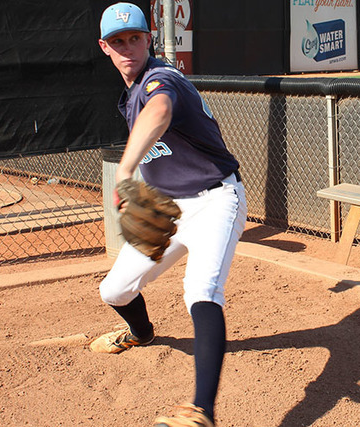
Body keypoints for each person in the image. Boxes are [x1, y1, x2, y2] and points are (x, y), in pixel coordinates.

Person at [91, 3, 247, 426]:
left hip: (217, 200)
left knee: (200, 291)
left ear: (149, 40)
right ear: (105, 47)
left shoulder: (163, 78)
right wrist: (144, 192)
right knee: (114, 291)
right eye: (118, 41)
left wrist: (124, 171)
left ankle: (201, 411)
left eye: (135, 38)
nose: (128, 47)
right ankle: (141, 333)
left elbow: (159, 111)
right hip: (170, 208)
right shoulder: (129, 95)